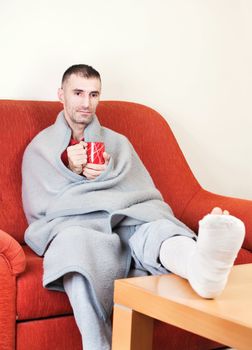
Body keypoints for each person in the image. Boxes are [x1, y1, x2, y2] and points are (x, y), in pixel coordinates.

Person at [22, 64, 245, 350]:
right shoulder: (41, 148)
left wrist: (105, 175)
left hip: (129, 216)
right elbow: (41, 207)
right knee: (73, 248)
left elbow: (141, 193)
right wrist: (68, 167)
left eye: (93, 94)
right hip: (79, 224)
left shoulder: (118, 143)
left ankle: (200, 267)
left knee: (158, 228)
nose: (86, 103)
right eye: (77, 93)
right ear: (61, 95)